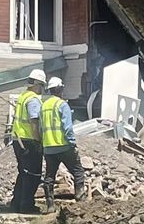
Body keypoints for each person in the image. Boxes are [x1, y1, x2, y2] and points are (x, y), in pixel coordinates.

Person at [5, 69, 48, 213]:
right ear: (38, 84)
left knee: (23, 173)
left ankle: (16, 203)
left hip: (18, 139)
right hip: (29, 140)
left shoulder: (23, 96)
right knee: (33, 175)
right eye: (42, 86)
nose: (42, 89)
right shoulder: (33, 100)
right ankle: (26, 206)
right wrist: (38, 141)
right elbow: (34, 122)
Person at [38, 77, 85, 205]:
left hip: (49, 148)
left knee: (49, 177)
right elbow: (67, 127)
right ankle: (80, 201)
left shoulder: (43, 106)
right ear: (59, 89)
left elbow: (40, 128)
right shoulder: (62, 105)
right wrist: (72, 143)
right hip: (64, 146)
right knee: (78, 172)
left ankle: (50, 205)